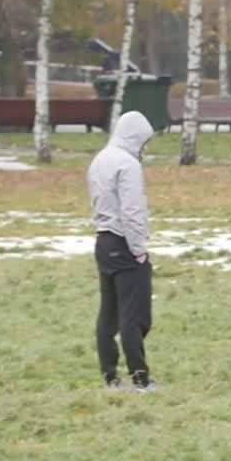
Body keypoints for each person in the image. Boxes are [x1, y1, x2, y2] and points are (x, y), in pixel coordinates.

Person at [87, 111, 157, 392]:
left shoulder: (100, 159)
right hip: (125, 243)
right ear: (136, 137)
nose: (146, 148)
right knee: (135, 316)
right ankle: (140, 377)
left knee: (109, 314)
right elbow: (132, 210)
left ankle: (110, 376)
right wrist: (139, 249)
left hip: (103, 241)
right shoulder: (128, 164)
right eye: (145, 142)